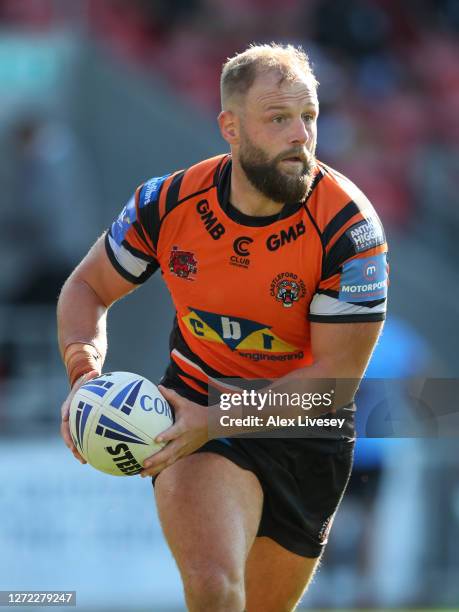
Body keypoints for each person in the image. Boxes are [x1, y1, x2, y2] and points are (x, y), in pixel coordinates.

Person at [57, 43, 388, 612]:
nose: (301, 136)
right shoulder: (166, 203)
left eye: (309, 117)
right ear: (230, 127)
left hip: (301, 429)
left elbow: (332, 385)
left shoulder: (350, 231)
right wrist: (84, 372)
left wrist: (218, 419)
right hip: (192, 407)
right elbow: (86, 288)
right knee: (215, 589)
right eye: (279, 119)